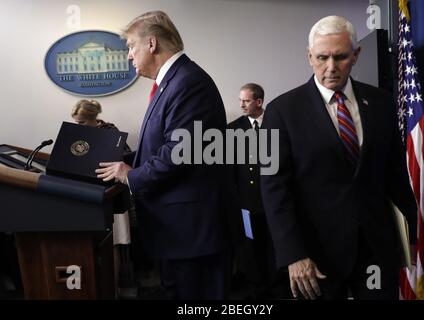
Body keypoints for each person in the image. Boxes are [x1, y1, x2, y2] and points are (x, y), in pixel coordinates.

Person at [260, 15, 417, 300]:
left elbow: (395, 175)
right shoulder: (280, 111)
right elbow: (273, 189)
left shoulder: (381, 103)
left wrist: (413, 236)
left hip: (374, 250)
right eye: (322, 58)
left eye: (340, 57)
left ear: (356, 55)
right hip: (314, 258)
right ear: (309, 57)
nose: (331, 68)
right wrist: (293, 254)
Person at [95, 11, 231, 299]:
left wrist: (130, 175)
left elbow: (182, 152)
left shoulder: (189, 82)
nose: (129, 55)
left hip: (192, 233)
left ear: (152, 44)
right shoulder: (171, 83)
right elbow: (159, 148)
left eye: (132, 46)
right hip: (178, 231)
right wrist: (117, 163)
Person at [227, 83, 289, 299]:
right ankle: (258, 290)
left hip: (275, 200)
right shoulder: (233, 129)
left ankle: (278, 287)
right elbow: (230, 168)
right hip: (247, 202)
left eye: (246, 100)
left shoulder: (278, 123)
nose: (241, 105)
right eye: (240, 100)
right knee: (251, 248)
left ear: (259, 102)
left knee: (276, 243)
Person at [71, 99, 135, 297]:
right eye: (76, 123)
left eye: (81, 123)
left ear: (93, 120)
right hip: (88, 198)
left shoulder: (112, 135)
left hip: (111, 199)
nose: (78, 127)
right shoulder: (79, 136)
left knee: (113, 244)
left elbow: (123, 165)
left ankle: (113, 292)